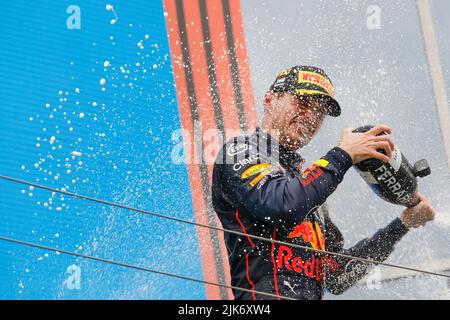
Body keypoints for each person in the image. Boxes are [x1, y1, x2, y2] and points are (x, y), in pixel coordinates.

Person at [211, 65, 435, 300]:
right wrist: (343, 154)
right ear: (269, 99)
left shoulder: (308, 188)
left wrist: (402, 225)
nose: (312, 116)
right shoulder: (239, 151)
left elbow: (337, 276)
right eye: (303, 102)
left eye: (320, 112)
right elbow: (281, 205)